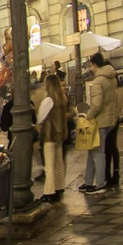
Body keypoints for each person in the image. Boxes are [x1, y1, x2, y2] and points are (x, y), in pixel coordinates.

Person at [81, 53, 120, 193]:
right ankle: (88, 181)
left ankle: (100, 183)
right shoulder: (112, 78)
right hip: (110, 120)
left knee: (97, 152)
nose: (90, 68)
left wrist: (88, 116)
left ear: (95, 65)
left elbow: (97, 105)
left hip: (100, 121)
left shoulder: (98, 82)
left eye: (91, 65)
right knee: (92, 151)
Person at [33, 73, 69, 201]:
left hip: (50, 135)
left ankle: (49, 192)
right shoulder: (63, 98)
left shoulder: (48, 100)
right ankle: (60, 187)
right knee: (59, 163)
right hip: (60, 134)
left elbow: (41, 118)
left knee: (49, 166)